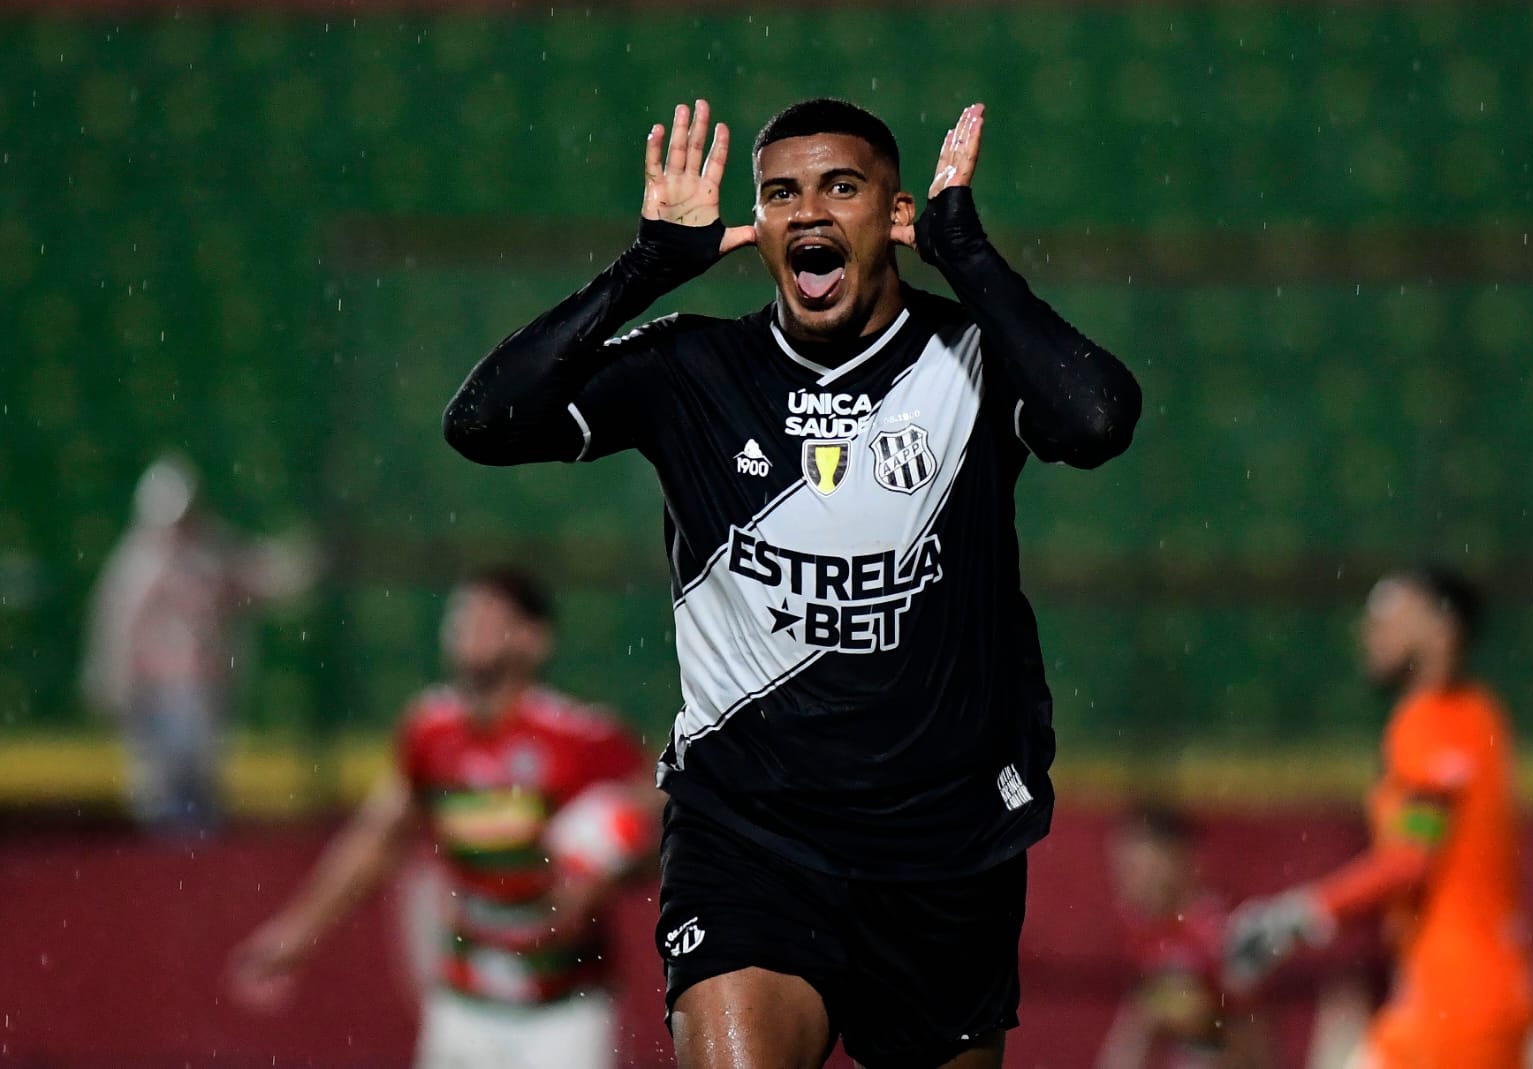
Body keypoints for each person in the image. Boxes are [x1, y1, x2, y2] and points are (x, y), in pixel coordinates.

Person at [443, 96, 1141, 1068]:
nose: (807, 211)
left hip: (942, 846)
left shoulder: (971, 357)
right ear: (761, 227)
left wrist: (969, 258)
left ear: (894, 214)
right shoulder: (692, 366)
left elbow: (1099, 418)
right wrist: (644, 267)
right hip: (748, 835)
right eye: (780, 194)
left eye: (839, 188)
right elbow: (482, 422)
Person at [229, 568, 656, 1069]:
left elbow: (658, 824)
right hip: (463, 1005)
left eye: (487, 615)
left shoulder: (581, 738)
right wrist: (296, 933)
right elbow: (378, 839)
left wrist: (605, 874)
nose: (466, 627)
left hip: (563, 1011)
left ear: (533, 638)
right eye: (460, 615)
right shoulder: (431, 731)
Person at [1224, 568, 1533, 1069]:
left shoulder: (1430, 722)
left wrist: (1301, 912)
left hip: (1456, 1013)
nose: (1372, 628)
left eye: (1392, 611)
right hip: (1462, 1001)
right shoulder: (1480, 714)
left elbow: (1411, 858)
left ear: (1442, 627)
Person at [81, 453, 312, 833]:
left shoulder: (209, 553)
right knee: (159, 784)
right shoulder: (137, 565)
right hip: (154, 688)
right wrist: (115, 681)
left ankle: (193, 849)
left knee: (199, 775)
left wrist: (294, 567)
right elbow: (118, 627)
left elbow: (253, 579)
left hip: (202, 686)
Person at [1096, 803, 1274, 1069]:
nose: (1127, 881)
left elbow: (1252, 1039)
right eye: (1120, 869)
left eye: (1137, 868)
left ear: (1179, 860)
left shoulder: (1217, 931)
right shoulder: (1145, 933)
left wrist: (1191, 1015)